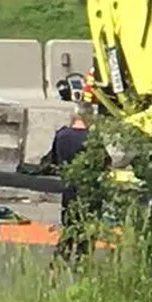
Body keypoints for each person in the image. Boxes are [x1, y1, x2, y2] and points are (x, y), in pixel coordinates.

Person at [45, 106, 94, 260]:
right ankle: (83, 262)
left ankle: (59, 260)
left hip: (68, 188)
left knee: (68, 226)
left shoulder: (61, 135)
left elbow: (53, 162)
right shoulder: (93, 138)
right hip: (89, 189)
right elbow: (103, 163)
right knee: (87, 230)